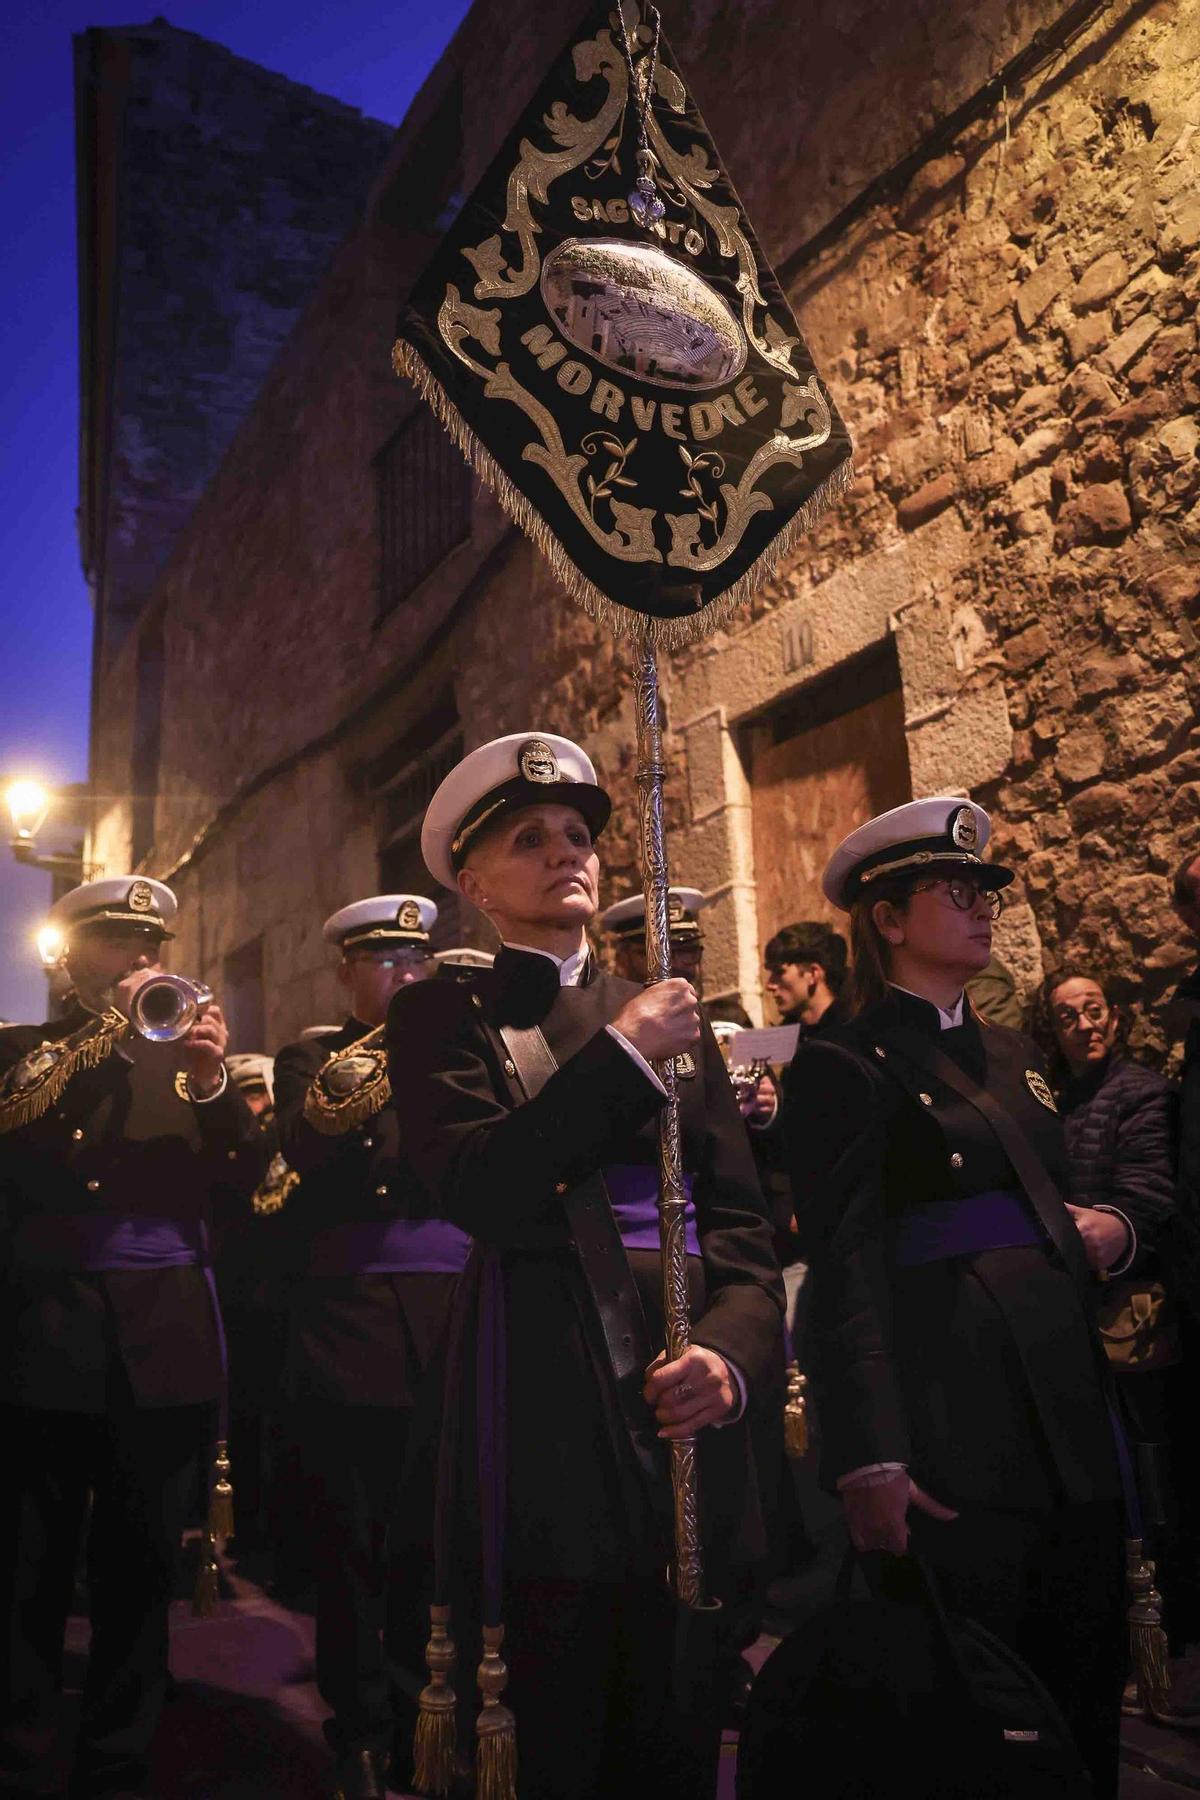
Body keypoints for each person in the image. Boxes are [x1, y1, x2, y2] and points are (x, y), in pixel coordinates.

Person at [386, 732, 784, 1800]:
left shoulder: (675, 1020)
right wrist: (620, 1057)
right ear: (475, 884)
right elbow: (482, 1187)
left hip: (690, 1388)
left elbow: (743, 1228)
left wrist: (733, 1358)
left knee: (683, 1719)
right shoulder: (441, 1017)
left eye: (578, 835)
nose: (567, 852)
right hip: (548, 1384)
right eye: (530, 840)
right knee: (564, 1708)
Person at [785, 797, 1127, 1798]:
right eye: (956, 891)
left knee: (1084, 1681)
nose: (982, 909)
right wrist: (871, 1453)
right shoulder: (843, 1062)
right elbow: (844, 1270)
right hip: (950, 1419)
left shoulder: (1018, 1055)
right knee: (973, 1699)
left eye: (987, 892)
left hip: (1063, 1410)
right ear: (887, 918)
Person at [0, 876, 264, 1799]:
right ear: (71, 958)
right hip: (44, 1336)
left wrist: (211, 1079)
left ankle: (120, 1760)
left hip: (160, 1343)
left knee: (138, 1573)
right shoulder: (21, 1050)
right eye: (119, 945)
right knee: (28, 1570)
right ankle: (23, 1760)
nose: (145, 962)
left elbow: (248, 1186)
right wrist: (108, 1035)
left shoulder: (187, 1064)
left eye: (151, 947)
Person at [272, 895, 470, 1800]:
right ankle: (361, 1726)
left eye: (415, 961)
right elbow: (321, 1149)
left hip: (453, 1315)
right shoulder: (312, 1058)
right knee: (357, 1546)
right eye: (385, 963)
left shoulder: (455, 1051)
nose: (406, 975)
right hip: (352, 1321)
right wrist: (405, 1044)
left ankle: (442, 1718)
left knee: (442, 1542)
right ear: (348, 972)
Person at [762, 920, 848, 1034]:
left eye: (779, 972)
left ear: (812, 973)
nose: (769, 985)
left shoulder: (855, 1037)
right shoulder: (782, 1040)